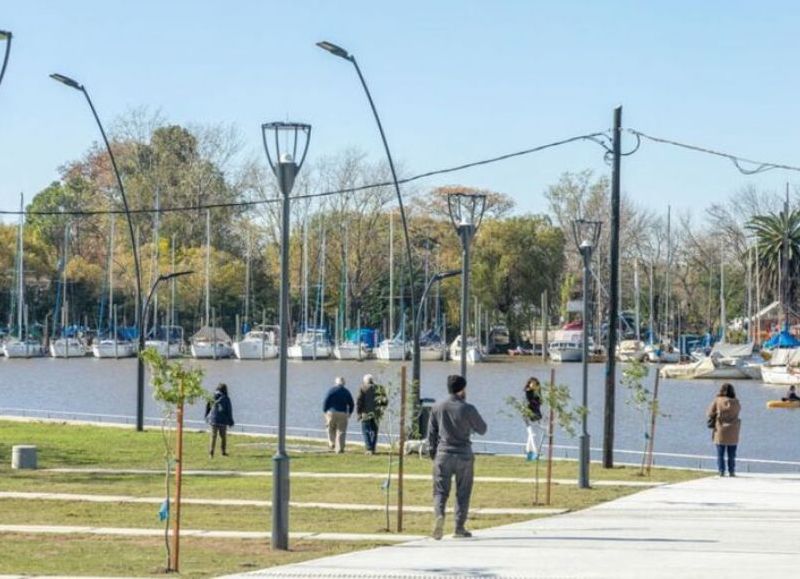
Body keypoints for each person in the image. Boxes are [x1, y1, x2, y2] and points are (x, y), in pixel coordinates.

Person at [428, 375, 487, 540]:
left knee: (440, 490)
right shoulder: (468, 408)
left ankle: (439, 515)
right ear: (462, 389)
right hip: (464, 455)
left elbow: (431, 434)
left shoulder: (437, 407)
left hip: (443, 454)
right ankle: (459, 527)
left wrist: (433, 454)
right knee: (463, 492)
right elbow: (482, 429)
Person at [706, 383, 741, 477]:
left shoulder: (717, 401)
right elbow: (738, 411)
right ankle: (732, 471)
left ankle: (721, 471)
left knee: (720, 453)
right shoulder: (736, 402)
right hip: (733, 430)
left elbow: (709, 413)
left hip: (720, 429)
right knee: (732, 454)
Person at [323, 376, 354, 453]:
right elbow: (351, 403)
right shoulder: (347, 392)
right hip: (343, 413)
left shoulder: (331, 390)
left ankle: (332, 443)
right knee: (341, 431)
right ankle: (339, 448)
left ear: (335, 383)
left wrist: (324, 410)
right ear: (344, 383)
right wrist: (350, 412)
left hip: (331, 412)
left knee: (330, 428)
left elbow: (326, 401)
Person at [356, 374, 384, 455]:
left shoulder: (363, 388)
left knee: (366, 431)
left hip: (366, 413)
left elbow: (359, 402)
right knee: (374, 431)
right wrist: (381, 409)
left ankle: (369, 449)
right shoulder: (379, 388)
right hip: (376, 414)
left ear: (365, 381)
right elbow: (385, 401)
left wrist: (358, 413)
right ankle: (373, 448)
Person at [205, 383, 234, 458]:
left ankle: (211, 453)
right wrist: (230, 420)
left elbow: (208, 407)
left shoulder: (212, 396)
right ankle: (223, 452)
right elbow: (229, 410)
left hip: (213, 419)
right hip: (222, 420)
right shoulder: (226, 398)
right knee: (223, 437)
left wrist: (206, 416)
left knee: (213, 436)